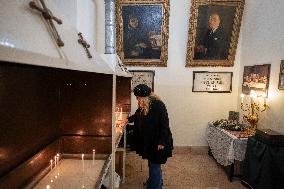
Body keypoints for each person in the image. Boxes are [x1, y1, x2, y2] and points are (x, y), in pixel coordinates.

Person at [120, 84, 173, 189]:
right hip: (150, 141)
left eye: (138, 97)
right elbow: (137, 116)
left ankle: (155, 186)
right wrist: (128, 120)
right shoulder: (144, 105)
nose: (137, 99)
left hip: (158, 141)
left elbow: (164, 125)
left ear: (144, 97)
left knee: (154, 165)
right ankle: (154, 181)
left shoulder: (158, 106)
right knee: (152, 163)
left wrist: (161, 142)